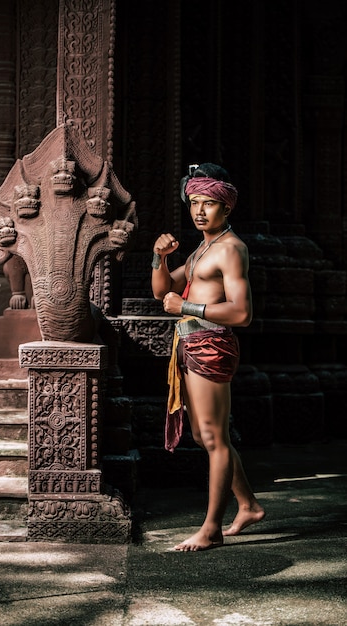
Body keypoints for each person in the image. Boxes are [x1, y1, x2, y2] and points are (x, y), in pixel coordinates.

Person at [151, 163, 265, 551]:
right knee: (203, 435)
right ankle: (247, 505)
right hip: (190, 344)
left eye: (209, 203)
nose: (199, 210)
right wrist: (159, 258)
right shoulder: (204, 248)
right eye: (194, 202)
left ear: (227, 207)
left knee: (214, 437)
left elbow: (241, 313)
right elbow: (162, 291)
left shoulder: (232, 249)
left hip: (211, 345)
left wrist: (191, 309)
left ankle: (212, 528)